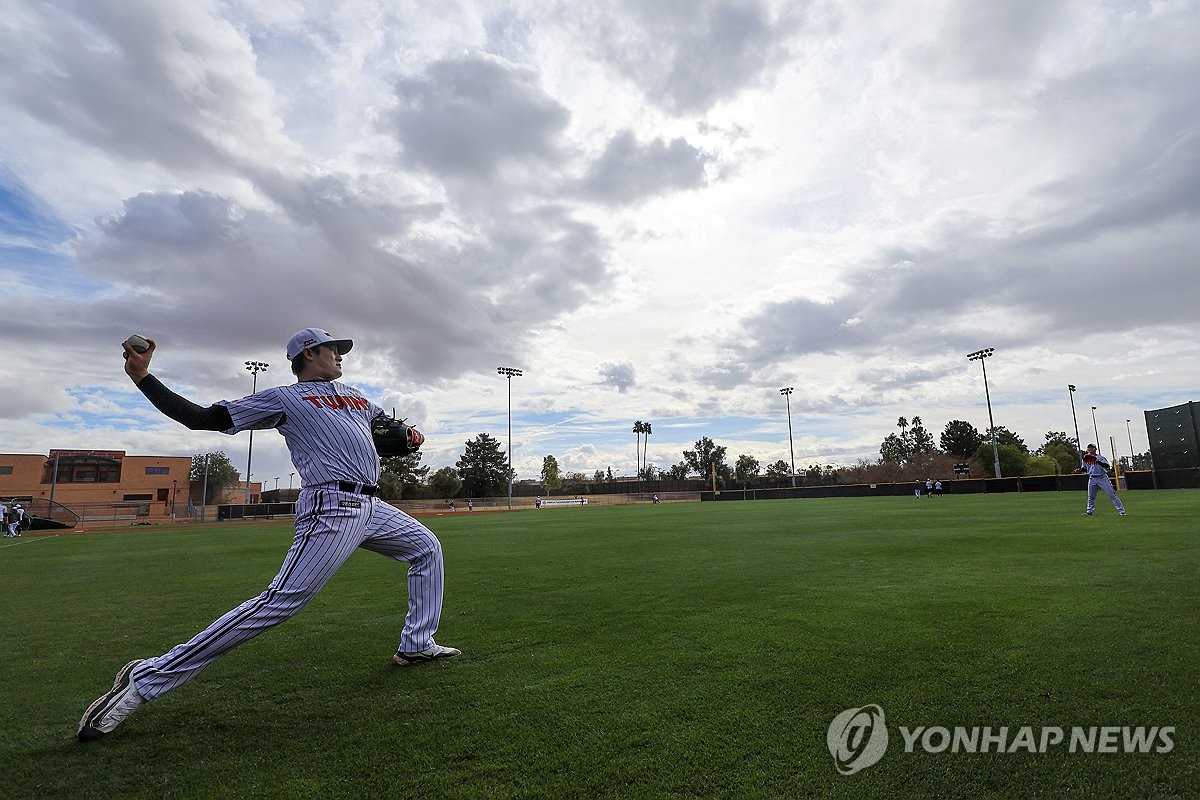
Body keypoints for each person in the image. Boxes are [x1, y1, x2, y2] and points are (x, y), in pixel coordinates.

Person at [77, 328, 459, 743]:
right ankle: (148, 677)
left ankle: (418, 643)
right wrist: (143, 377)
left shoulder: (359, 397)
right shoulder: (284, 398)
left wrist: (404, 439)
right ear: (309, 354)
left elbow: (380, 437)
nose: (340, 355)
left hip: (373, 505)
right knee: (279, 603)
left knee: (426, 549)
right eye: (334, 349)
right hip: (331, 506)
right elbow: (202, 418)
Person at [1079, 443, 1126, 517]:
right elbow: (1084, 468)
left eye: (1092, 447)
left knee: (1112, 495)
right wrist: (1079, 469)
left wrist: (1097, 461)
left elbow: (1107, 466)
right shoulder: (1085, 458)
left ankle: (1121, 511)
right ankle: (1089, 511)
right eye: (1089, 448)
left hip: (1102, 478)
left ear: (1095, 449)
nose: (1090, 449)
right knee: (1091, 497)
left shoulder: (1100, 458)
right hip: (1092, 478)